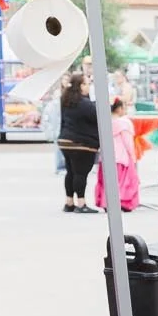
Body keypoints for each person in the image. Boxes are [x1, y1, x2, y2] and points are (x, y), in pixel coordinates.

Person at [57, 72, 100, 214]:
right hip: (82, 143)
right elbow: (97, 118)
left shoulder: (66, 101)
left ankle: (69, 203)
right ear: (80, 86)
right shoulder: (85, 104)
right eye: (86, 84)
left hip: (65, 141)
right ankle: (81, 204)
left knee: (70, 172)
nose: (88, 87)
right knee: (81, 174)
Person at [93, 97, 141, 214]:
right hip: (122, 157)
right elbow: (128, 142)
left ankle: (106, 203)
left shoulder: (106, 122)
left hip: (106, 157)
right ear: (119, 109)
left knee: (107, 182)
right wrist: (133, 156)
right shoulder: (124, 123)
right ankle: (122, 203)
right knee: (123, 182)